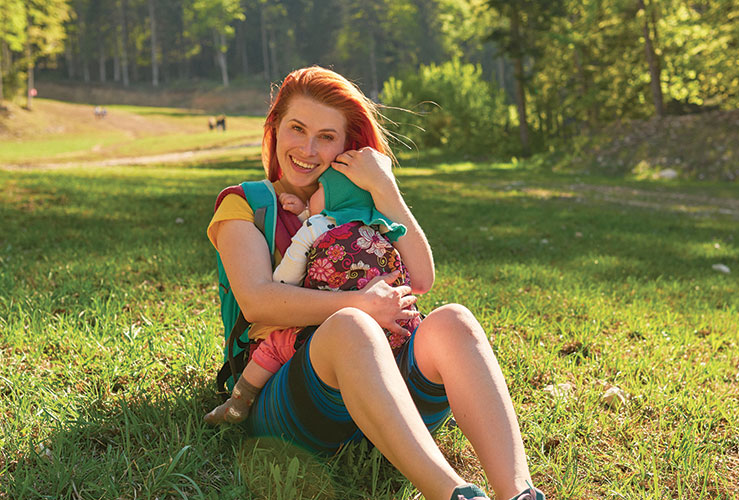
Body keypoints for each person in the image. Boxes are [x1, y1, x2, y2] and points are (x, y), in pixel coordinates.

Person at [207, 66, 545, 500]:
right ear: (274, 130)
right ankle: (454, 495)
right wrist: (361, 305)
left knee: (454, 321)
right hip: (295, 400)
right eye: (297, 128)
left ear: (347, 146)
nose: (308, 149)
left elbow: (422, 278)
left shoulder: (360, 205)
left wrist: (385, 187)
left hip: (387, 398)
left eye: (327, 137)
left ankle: (519, 492)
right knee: (351, 325)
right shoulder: (245, 205)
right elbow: (258, 302)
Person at [205, 167, 418, 425]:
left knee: (275, 348)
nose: (311, 195)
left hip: (321, 332)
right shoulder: (379, 225)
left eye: (319, 189)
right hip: (389, 327)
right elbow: (417, 277)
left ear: (331, 198)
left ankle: (238, 402)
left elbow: (286, 278)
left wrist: (305, 222)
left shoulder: (316, 226)